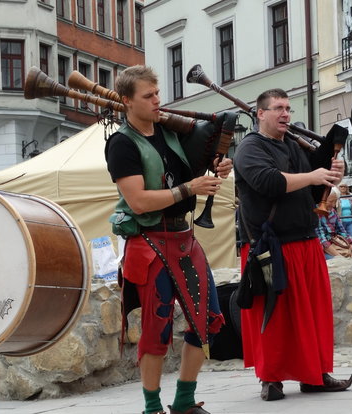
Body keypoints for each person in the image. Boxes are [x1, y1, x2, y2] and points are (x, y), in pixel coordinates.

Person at [104, 65, 233, 414]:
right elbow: (138, 201)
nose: (157, 101)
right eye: (148, 96)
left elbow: (200, 166)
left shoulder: (171, 131)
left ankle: (185, 401)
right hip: (149, 244)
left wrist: (220, 166)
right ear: (127, 101)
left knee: (207, 319)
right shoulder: (121, 144)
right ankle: (151, 408)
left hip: (184, 239)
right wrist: (189, 188)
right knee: (155, 329)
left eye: (157, 93)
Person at [234, 88, 352, 402]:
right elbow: (269, 182)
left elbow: (311, 196)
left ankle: (314, 375)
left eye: (288, 108)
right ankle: (270, 380)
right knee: (273, 316)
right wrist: (313, 175)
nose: (285, 113)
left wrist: (329, 179)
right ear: (260, 113)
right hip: (270, 247)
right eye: (277, 108)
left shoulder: (293, 147)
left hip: (305, 242)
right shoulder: (249, 148)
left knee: (313, 315)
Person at [315, 188, 352, 259]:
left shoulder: (332, 211)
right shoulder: (316, 213)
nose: (333, 204)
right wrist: (340, 257)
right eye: (331, 201)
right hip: (323, 249)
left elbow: (343, 232)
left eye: (335, 201)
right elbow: (322, 240)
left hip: (336, 245)